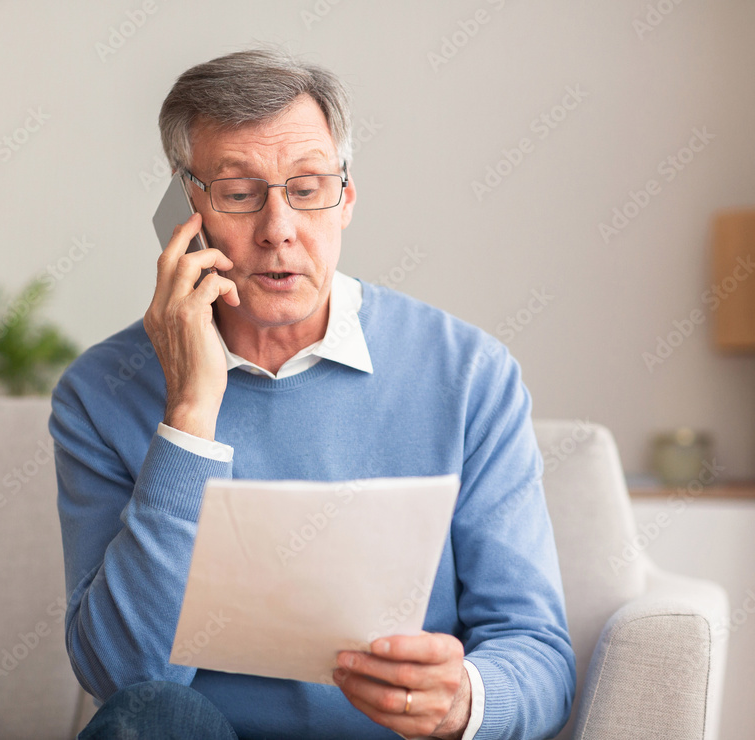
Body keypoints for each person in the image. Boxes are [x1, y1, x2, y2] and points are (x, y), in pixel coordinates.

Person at [49, 47, 575, 740]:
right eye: (239, 194)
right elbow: (123, 678)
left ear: (346, 199)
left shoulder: (468, 374)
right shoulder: (99, 393)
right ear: (185, 210)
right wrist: (189, 417)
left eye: (307, 188)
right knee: (157, 713)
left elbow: (538, 650)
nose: (279, 230)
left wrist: (462, 699)